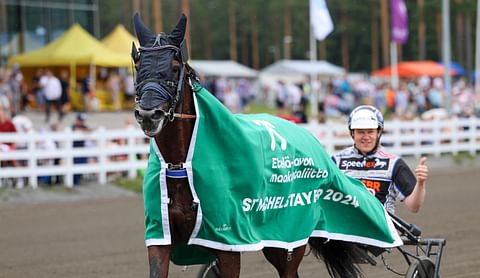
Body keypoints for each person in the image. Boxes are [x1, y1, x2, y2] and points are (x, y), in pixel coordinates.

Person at [331, 105, 429, 214]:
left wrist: (420, 183)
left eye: (370, 131)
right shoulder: (336, 161)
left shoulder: (394, 163)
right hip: (346, 228)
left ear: (378, 133)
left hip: (381, 229)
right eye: (360, 132)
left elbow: (414, 207)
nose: (366, 137)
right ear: (352, 133)